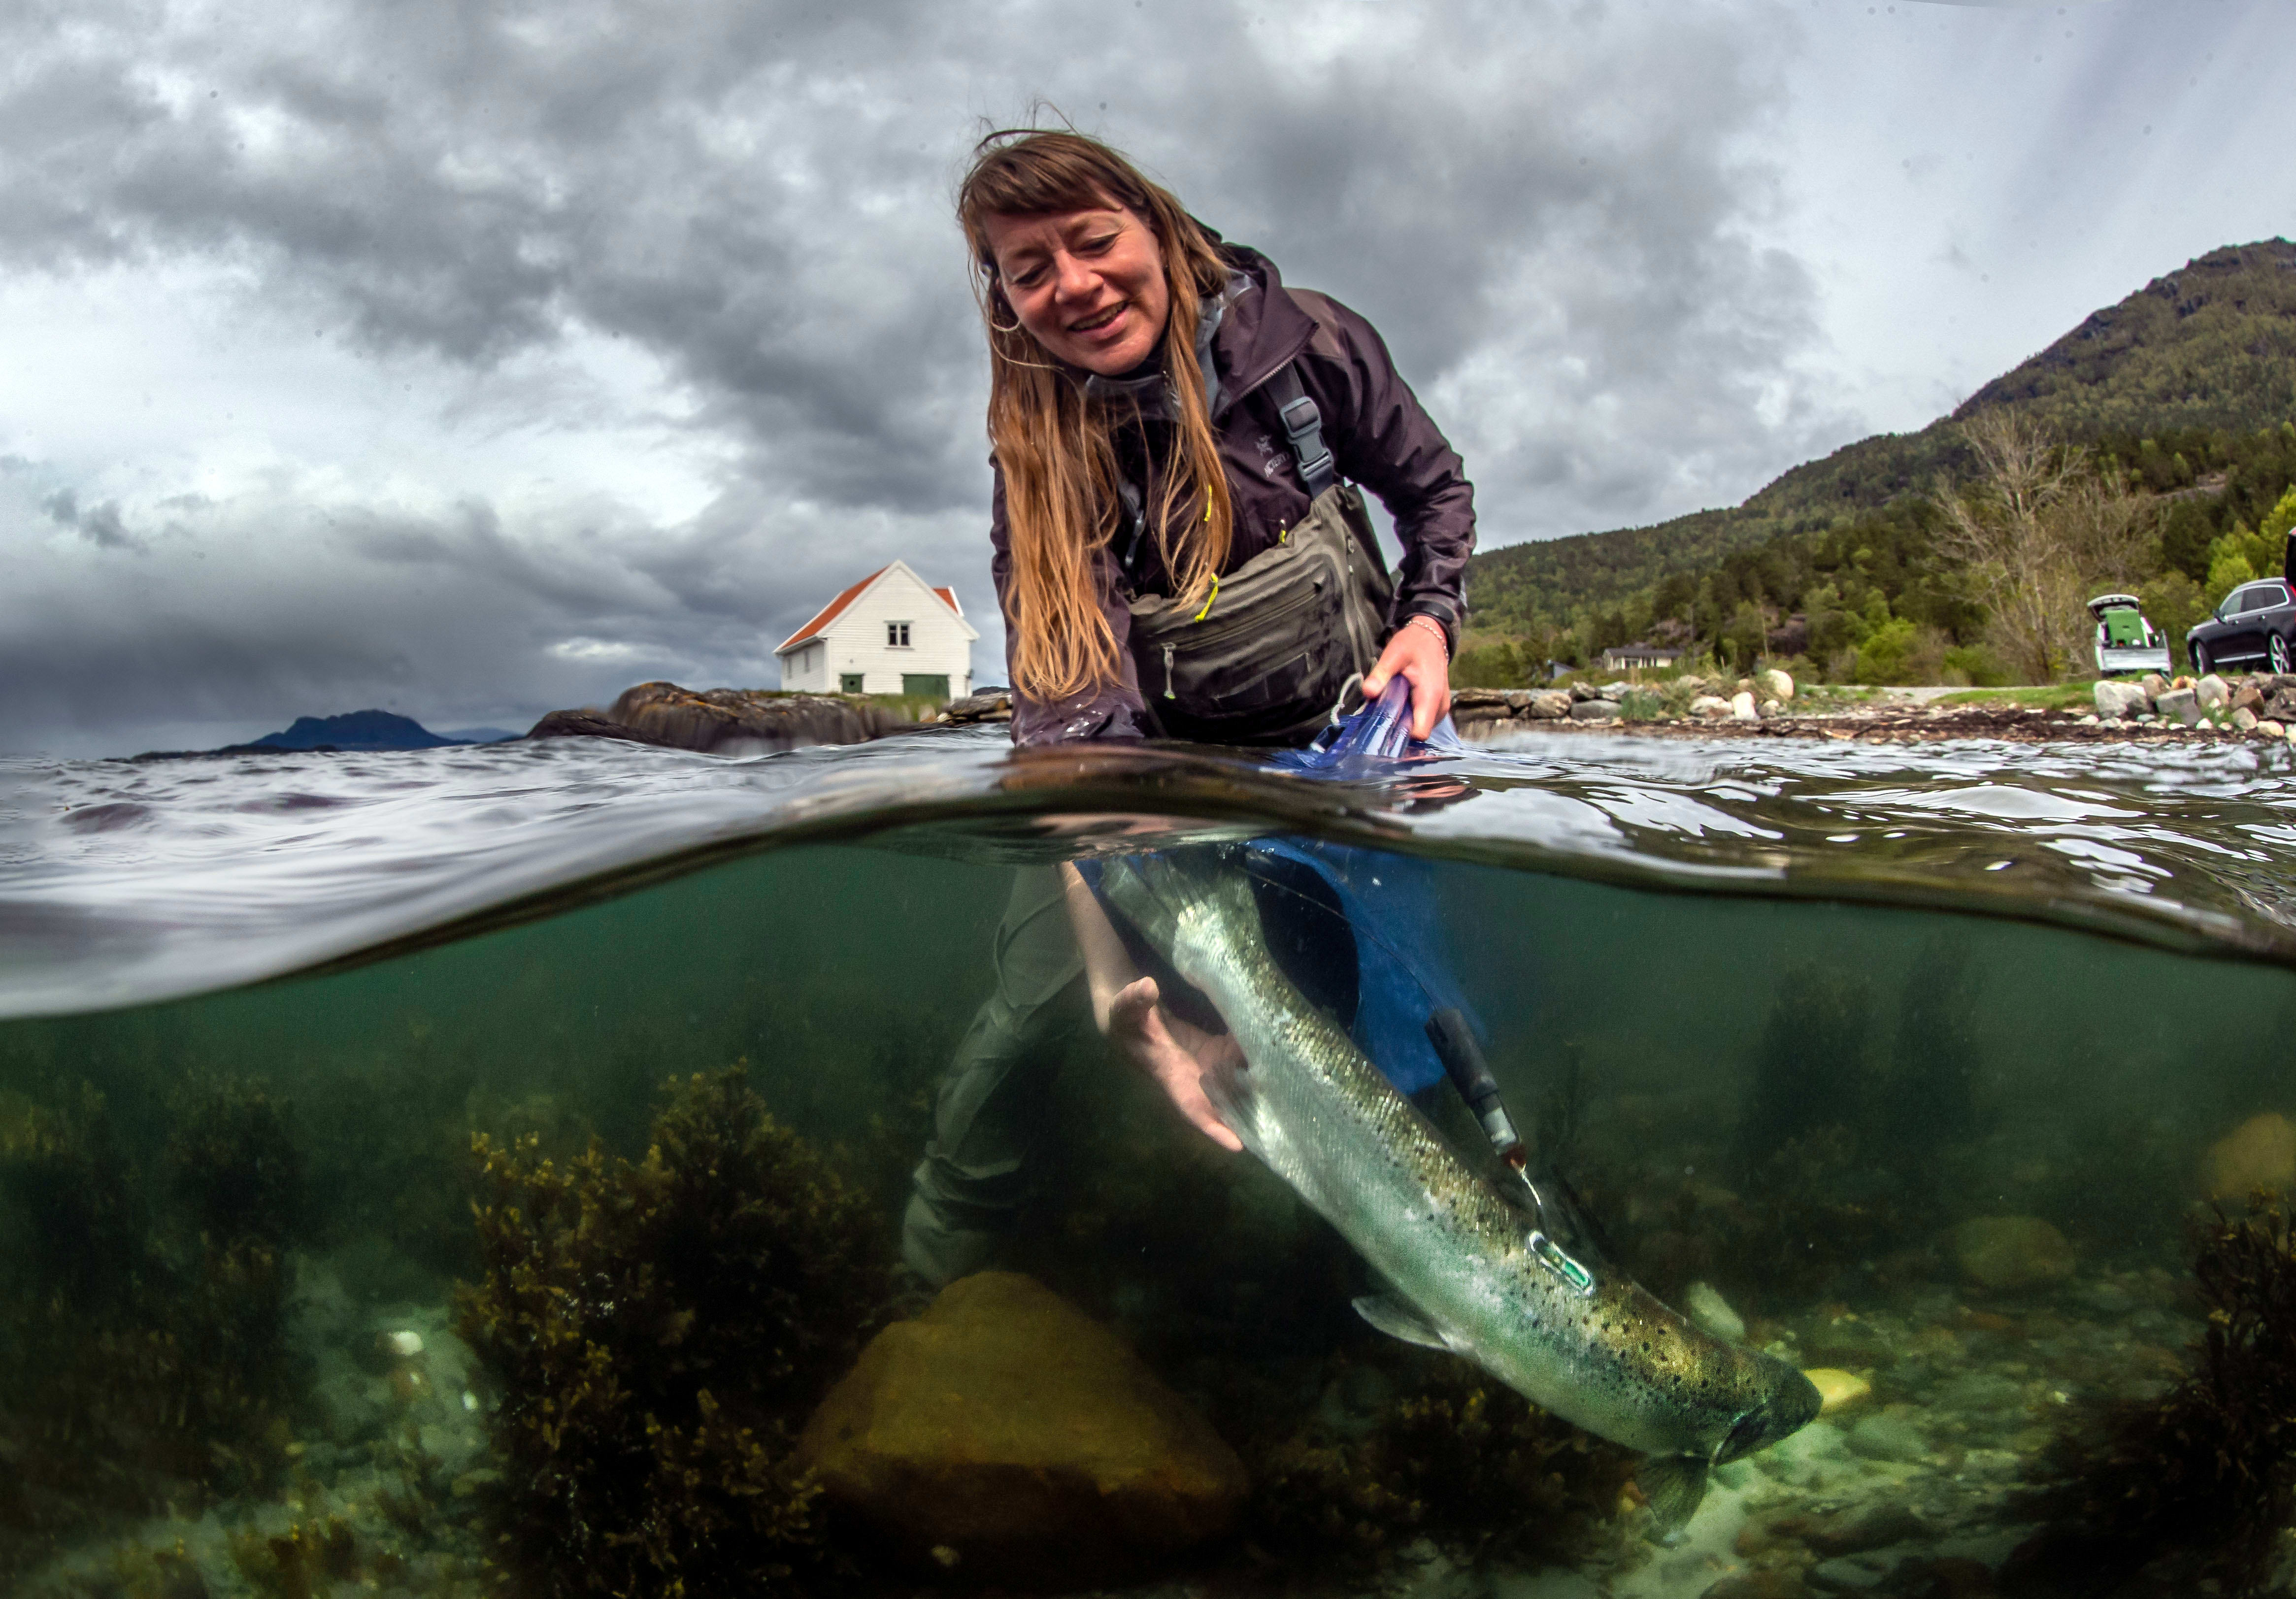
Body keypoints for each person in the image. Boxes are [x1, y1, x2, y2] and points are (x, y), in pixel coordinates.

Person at [900, 129, 1476, 1288]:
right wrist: (1108, 978)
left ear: (1157, 227)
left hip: (1341, 755)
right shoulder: (1042, 459)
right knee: (1027, 1028)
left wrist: (1430, 624)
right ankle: (927, 1289)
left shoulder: (1310, 345)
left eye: (1093, 240)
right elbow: (1074, 729)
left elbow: (1434, 494)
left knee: (1363, 1036)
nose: (1073, 285)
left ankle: (1347, 1292)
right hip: (1147, 779)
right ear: (1006, 302)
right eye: (1029, 269)